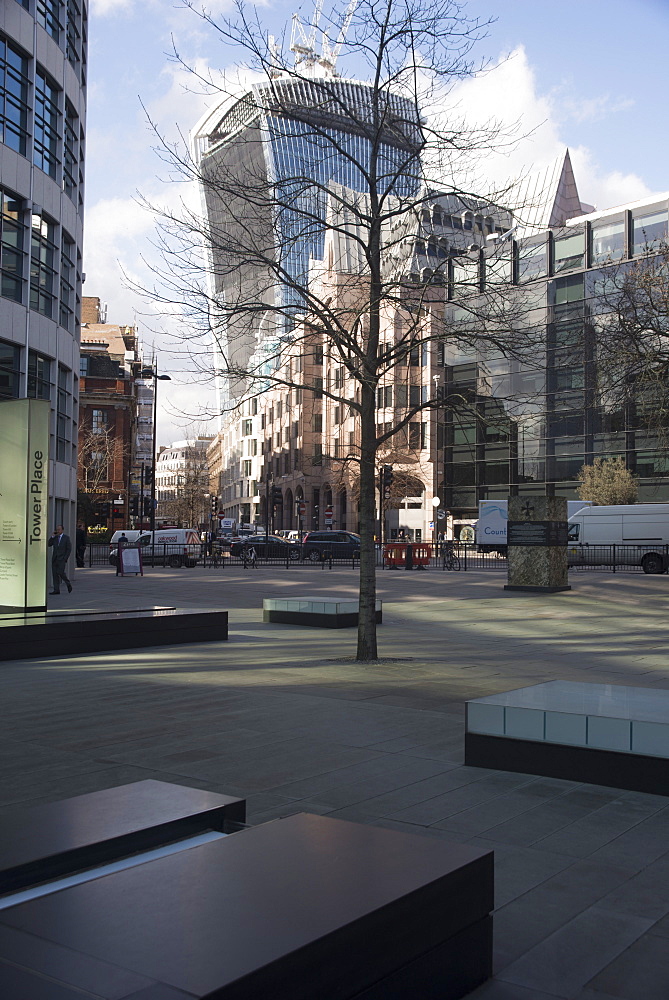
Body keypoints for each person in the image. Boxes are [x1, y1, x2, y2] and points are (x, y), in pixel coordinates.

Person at [48, 525, 72, 594]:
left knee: (60, 572)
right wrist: (52, 537)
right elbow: (49, 544)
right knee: (55, 574)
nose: (58, 531)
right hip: (55, 558)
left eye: (59, 530)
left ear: (62, 530)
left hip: (62, 559)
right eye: (57, 530)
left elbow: (69, 549)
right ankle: (56, 590)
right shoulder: (55, 538)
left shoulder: (66, 538)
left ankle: (68, 583)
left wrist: (65, 558)